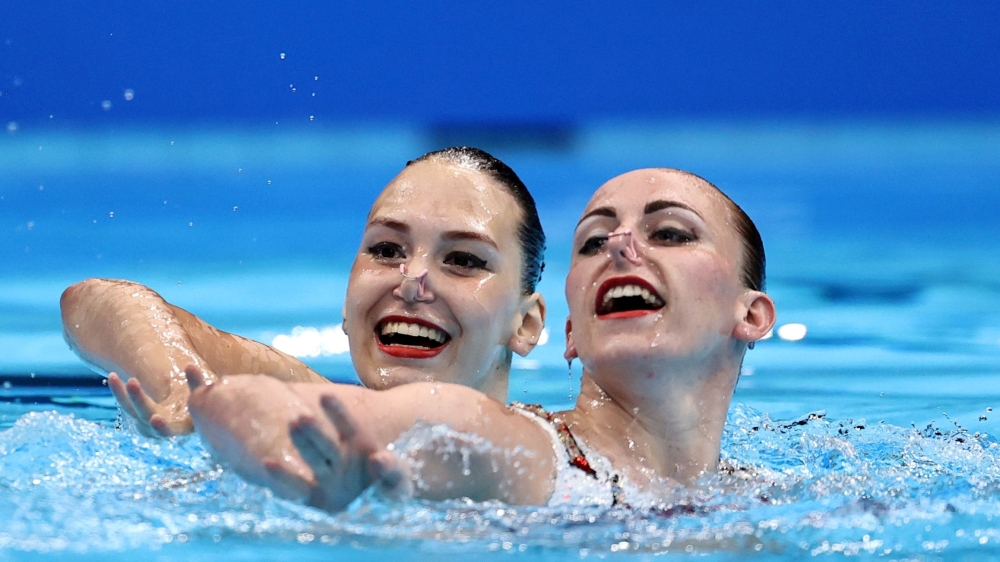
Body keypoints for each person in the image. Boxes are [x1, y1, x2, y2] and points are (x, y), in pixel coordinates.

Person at [183, 167, 777, 511]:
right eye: (594, 242)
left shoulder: (767, 490)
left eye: (669, 233)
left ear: (751, 316)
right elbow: (238, 401)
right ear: (572, 332)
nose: (622, 246)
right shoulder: (514, 445)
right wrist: (298, 462)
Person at [60, 147, 547, 437]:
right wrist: (181, 393)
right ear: (347, 301)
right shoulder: (308, 408)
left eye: (463, 260)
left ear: (525, 325)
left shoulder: (564, 457)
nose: (411, 280)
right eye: (385, 249)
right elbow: (94, 303)